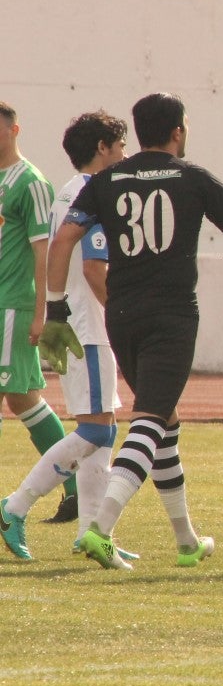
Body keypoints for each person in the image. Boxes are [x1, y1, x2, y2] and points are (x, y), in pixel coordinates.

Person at [40, 92, 223, 570]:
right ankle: (100, 528)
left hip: (121, 316)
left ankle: (186, 540)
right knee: (149, 420)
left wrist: (57, 311)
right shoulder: (195, 177)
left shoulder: (106, 180)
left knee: (165, 421)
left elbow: (64, 239)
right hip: (171, 318)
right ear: (178, 130)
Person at [2, 110, 136, 562]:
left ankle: (93, 534)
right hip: (89, 327)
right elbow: (94, 267)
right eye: (120, 146)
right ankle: (14, 506)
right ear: (103, 148)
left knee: (103, 429)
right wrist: (124, 314)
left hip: (77, 323)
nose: (124, 154)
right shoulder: (96, 193)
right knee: (96, 431)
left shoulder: (68, 190)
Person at [0, 101, 78, 524]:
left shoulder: (29, 182)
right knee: (21, 397)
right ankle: (76, 486)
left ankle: (74, 486)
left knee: (15, 396)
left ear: (15, 130)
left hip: (11, 304)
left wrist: (40, 311)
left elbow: (42, 250)